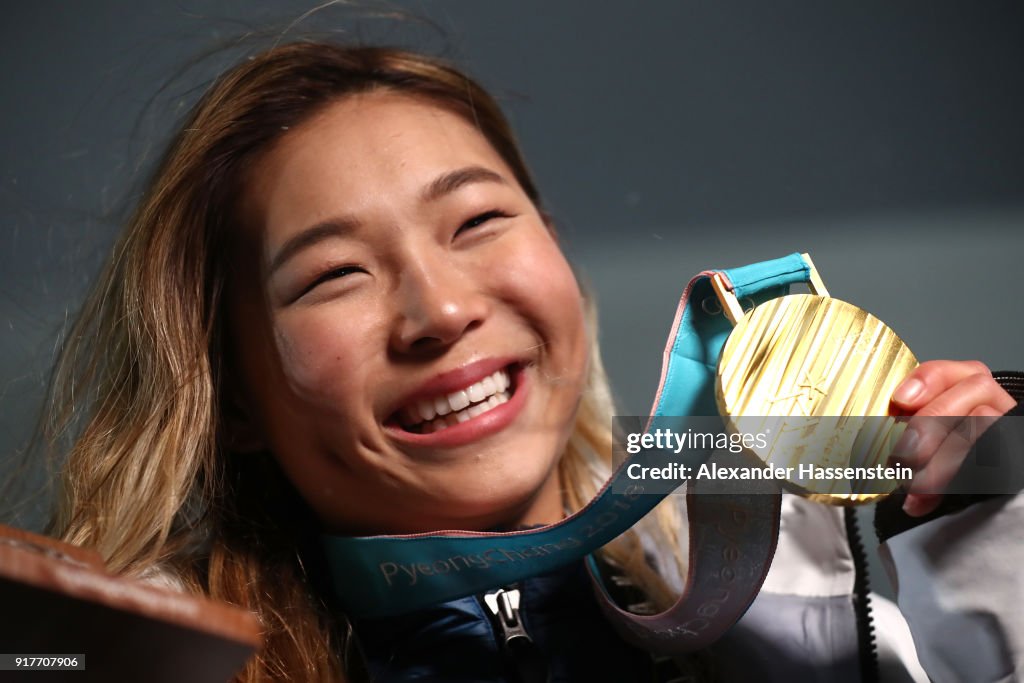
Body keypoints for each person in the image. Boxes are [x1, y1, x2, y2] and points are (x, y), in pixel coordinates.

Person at [40, 41, 1023, 682]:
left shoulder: (815, 576)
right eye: (334, 274)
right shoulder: (139, 655)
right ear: (234, 391)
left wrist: (984, 508)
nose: (443, 308)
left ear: (556, 254)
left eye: (477, 221)